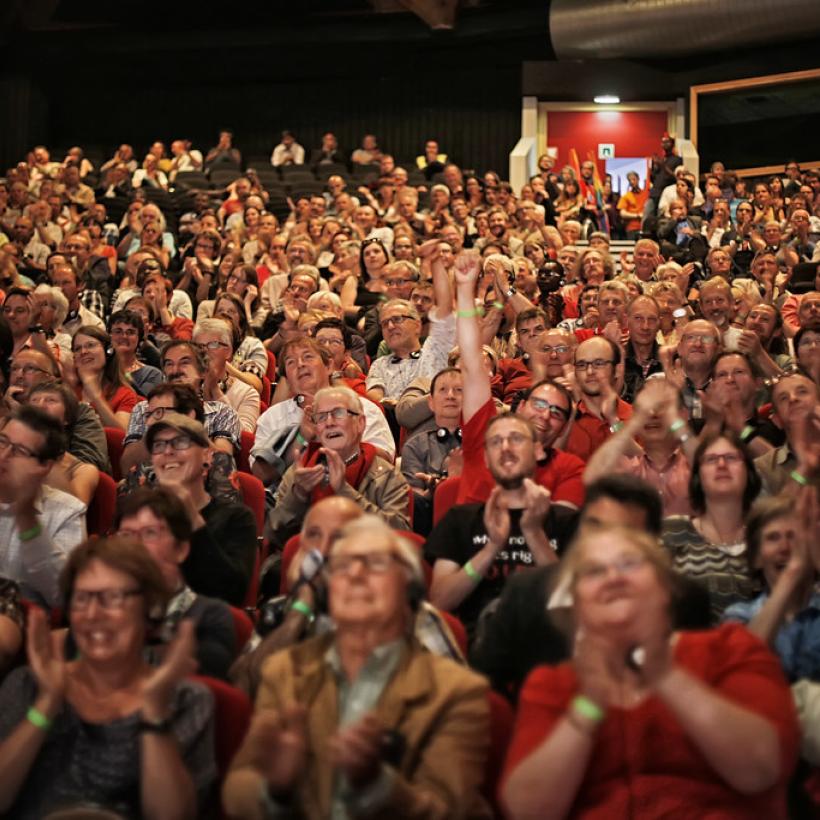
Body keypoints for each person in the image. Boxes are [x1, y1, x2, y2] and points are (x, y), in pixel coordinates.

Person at [501, 526, 799, 819]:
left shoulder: (728, 649)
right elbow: (527, 810)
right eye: (593, 571)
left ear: (665, 588)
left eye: (629, 563)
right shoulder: (554, 684)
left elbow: (760, 770)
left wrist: (664, 674)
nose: (613, 578)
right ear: (576, 606)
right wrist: (588, 706)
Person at [222, 514, 491, 820]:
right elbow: (236, 790)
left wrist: (380, 787)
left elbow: (451, 809)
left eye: (375, 563)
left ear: (410, 590)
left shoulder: (457, 691)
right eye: (342, 566)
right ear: (327, 592)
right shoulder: (284, 671)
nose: (355, 574)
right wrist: (273, 791)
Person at [0, 536, 216, 818]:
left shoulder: (185, 699)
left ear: (149, 605)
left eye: (112, 598)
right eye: (81, 599)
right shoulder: (28, 684)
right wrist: (47, 704)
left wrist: (153, 713)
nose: (92, 614)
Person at [452, 252, 585, 509]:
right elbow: (469, 360)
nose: (545, 416)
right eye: (538, 404)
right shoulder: (486, 439)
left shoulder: (567, 468)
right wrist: (465, 289)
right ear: (520, 407)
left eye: (557, 412)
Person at [427, 410, 574, 641]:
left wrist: (535, 534)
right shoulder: (461, 519)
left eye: (516, 439)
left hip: (549, 652)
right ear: (486, 457)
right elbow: (439, 602)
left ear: (537, 450)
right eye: (495, 442)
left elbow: (573, 605)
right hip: (479, 651)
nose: (505, 447)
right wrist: (490, 549)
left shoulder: (567, 520)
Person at [116, 487, 237, 680]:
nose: (135, 546)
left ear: (181, 549)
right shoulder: (99, 609)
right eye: (126, 535)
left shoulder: (209, 616)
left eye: (150, 533)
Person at [268, 386, 410, 547]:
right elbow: (273, 537)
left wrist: (344, 491)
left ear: (360, 423)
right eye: (321, 417)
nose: (329, 423)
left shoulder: (386, 476)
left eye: (338, 413)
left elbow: (402, 539)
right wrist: (298, 495)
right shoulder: (300, 472)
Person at [251, 338, 394, 488]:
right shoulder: (272, 417)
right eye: (291, 362)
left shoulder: (363, 409)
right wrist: (302, 437)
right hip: (293, 501)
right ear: (286, 379)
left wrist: (341, 438)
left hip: (356, 496)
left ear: (329, 366)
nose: (300, 364)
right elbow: (260, 476)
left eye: (308, 357)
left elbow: (384, 462)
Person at [147, 413, 257, 606]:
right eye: (159, 445)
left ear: (207, 455)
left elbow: (232, 594)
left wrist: (190, 513)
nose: (167, 451)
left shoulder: (236, 518)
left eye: (180, 442)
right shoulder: (140, 517)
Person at [663, 430, 762, 621]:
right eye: (711, 459)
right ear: (697, 476)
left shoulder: (767, 533)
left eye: (731, 458)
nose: (722, 465)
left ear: (749, 471)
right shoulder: (673, 530)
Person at [723, 490, 820, 682]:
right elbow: (740, 668)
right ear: (757, 557)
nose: (784, 548)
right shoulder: (740, 615)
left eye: (794, 537)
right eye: (773, 538)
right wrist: (792, 573)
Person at [0, 406, 87, 607]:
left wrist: (27, 520)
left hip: (20, 626)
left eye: (19, 451)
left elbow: (64, 597)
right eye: (2, 441)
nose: (3, 456)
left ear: (44, 466)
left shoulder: (66, 511)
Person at [120, 339, 241, 475]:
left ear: (203, 372)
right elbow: (126, 468)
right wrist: (157, 421)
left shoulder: (222, 413)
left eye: (184, 363)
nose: (175, 370)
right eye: (169, 364)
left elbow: (222, 468)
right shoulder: (144, 409)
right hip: (152, 488)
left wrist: (189, 424)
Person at [582, 376, 696, 516]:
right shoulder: (627, 468)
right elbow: (591, 477)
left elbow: (702, 462)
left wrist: (677, 423)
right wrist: (634, 422)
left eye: (662, 406)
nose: (653, 414)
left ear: (682, 414)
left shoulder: (692, 466)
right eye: (645, 408)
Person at [27, 381, 100, 505]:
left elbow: (73, 511)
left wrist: (47, 450)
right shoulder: (8, 453)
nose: (40, 405)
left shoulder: (82, 470)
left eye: (50, 400)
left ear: (67, 418)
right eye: (34, 400)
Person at [192, 318, 260, 433]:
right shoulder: (182, 386)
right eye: (199, 346)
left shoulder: (246, 394)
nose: (204, 351)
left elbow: (245, 436)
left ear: (228, 351)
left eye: (213, 344)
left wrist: (214, 389)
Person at [70, 325, 139, 431]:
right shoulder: (67, 390)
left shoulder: (125, 395)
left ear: (108, 351)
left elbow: (121, 435)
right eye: (77, 348)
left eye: (90, 345)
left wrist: (95, 395)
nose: (83, 352)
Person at [108, 308, 164, 397]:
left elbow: (143, 404)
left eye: (130, 332)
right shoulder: (100, 370)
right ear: (109, 335)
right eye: (118, 331)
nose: (124, 336)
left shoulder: (151, 374)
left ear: (139, 338)